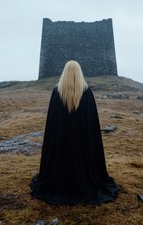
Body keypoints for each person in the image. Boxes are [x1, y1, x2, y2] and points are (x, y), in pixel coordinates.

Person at [30, 60, 121, 205]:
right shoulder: (87, 93)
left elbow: (53, 124)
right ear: (80, 73)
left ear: (64, 73)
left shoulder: (56, 93)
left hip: (61, 144)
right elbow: (92, 126)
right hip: (83, 146)